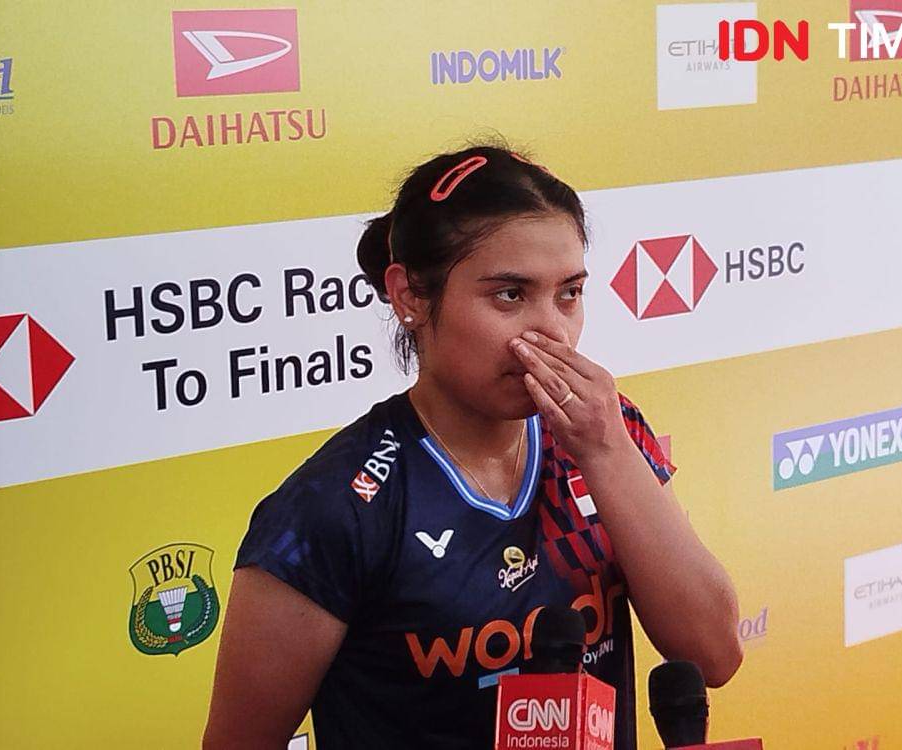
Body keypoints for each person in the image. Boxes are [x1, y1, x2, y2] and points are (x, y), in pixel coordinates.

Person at [203, 142, 742, 749]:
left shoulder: (605, 434)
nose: (552, 331)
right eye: (510, 295)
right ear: (410, 296)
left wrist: (606, 451)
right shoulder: (336, 507)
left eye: (569, 293)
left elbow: (713, 654)